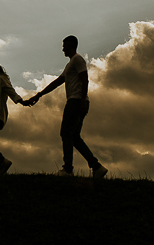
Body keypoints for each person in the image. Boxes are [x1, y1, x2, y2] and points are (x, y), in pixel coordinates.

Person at [25, 35, 109, 178]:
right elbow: (58, 82)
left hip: (76, 101)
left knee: (66, 133)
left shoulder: (77, 59)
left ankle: (68, 169)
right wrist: (39, 95)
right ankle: (96, 167)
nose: (62, 48)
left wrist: (82, 100)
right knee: (74, 137)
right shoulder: (70, 64)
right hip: (77, 101)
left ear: (70, 45)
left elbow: (85, 79)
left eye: (64, 45)